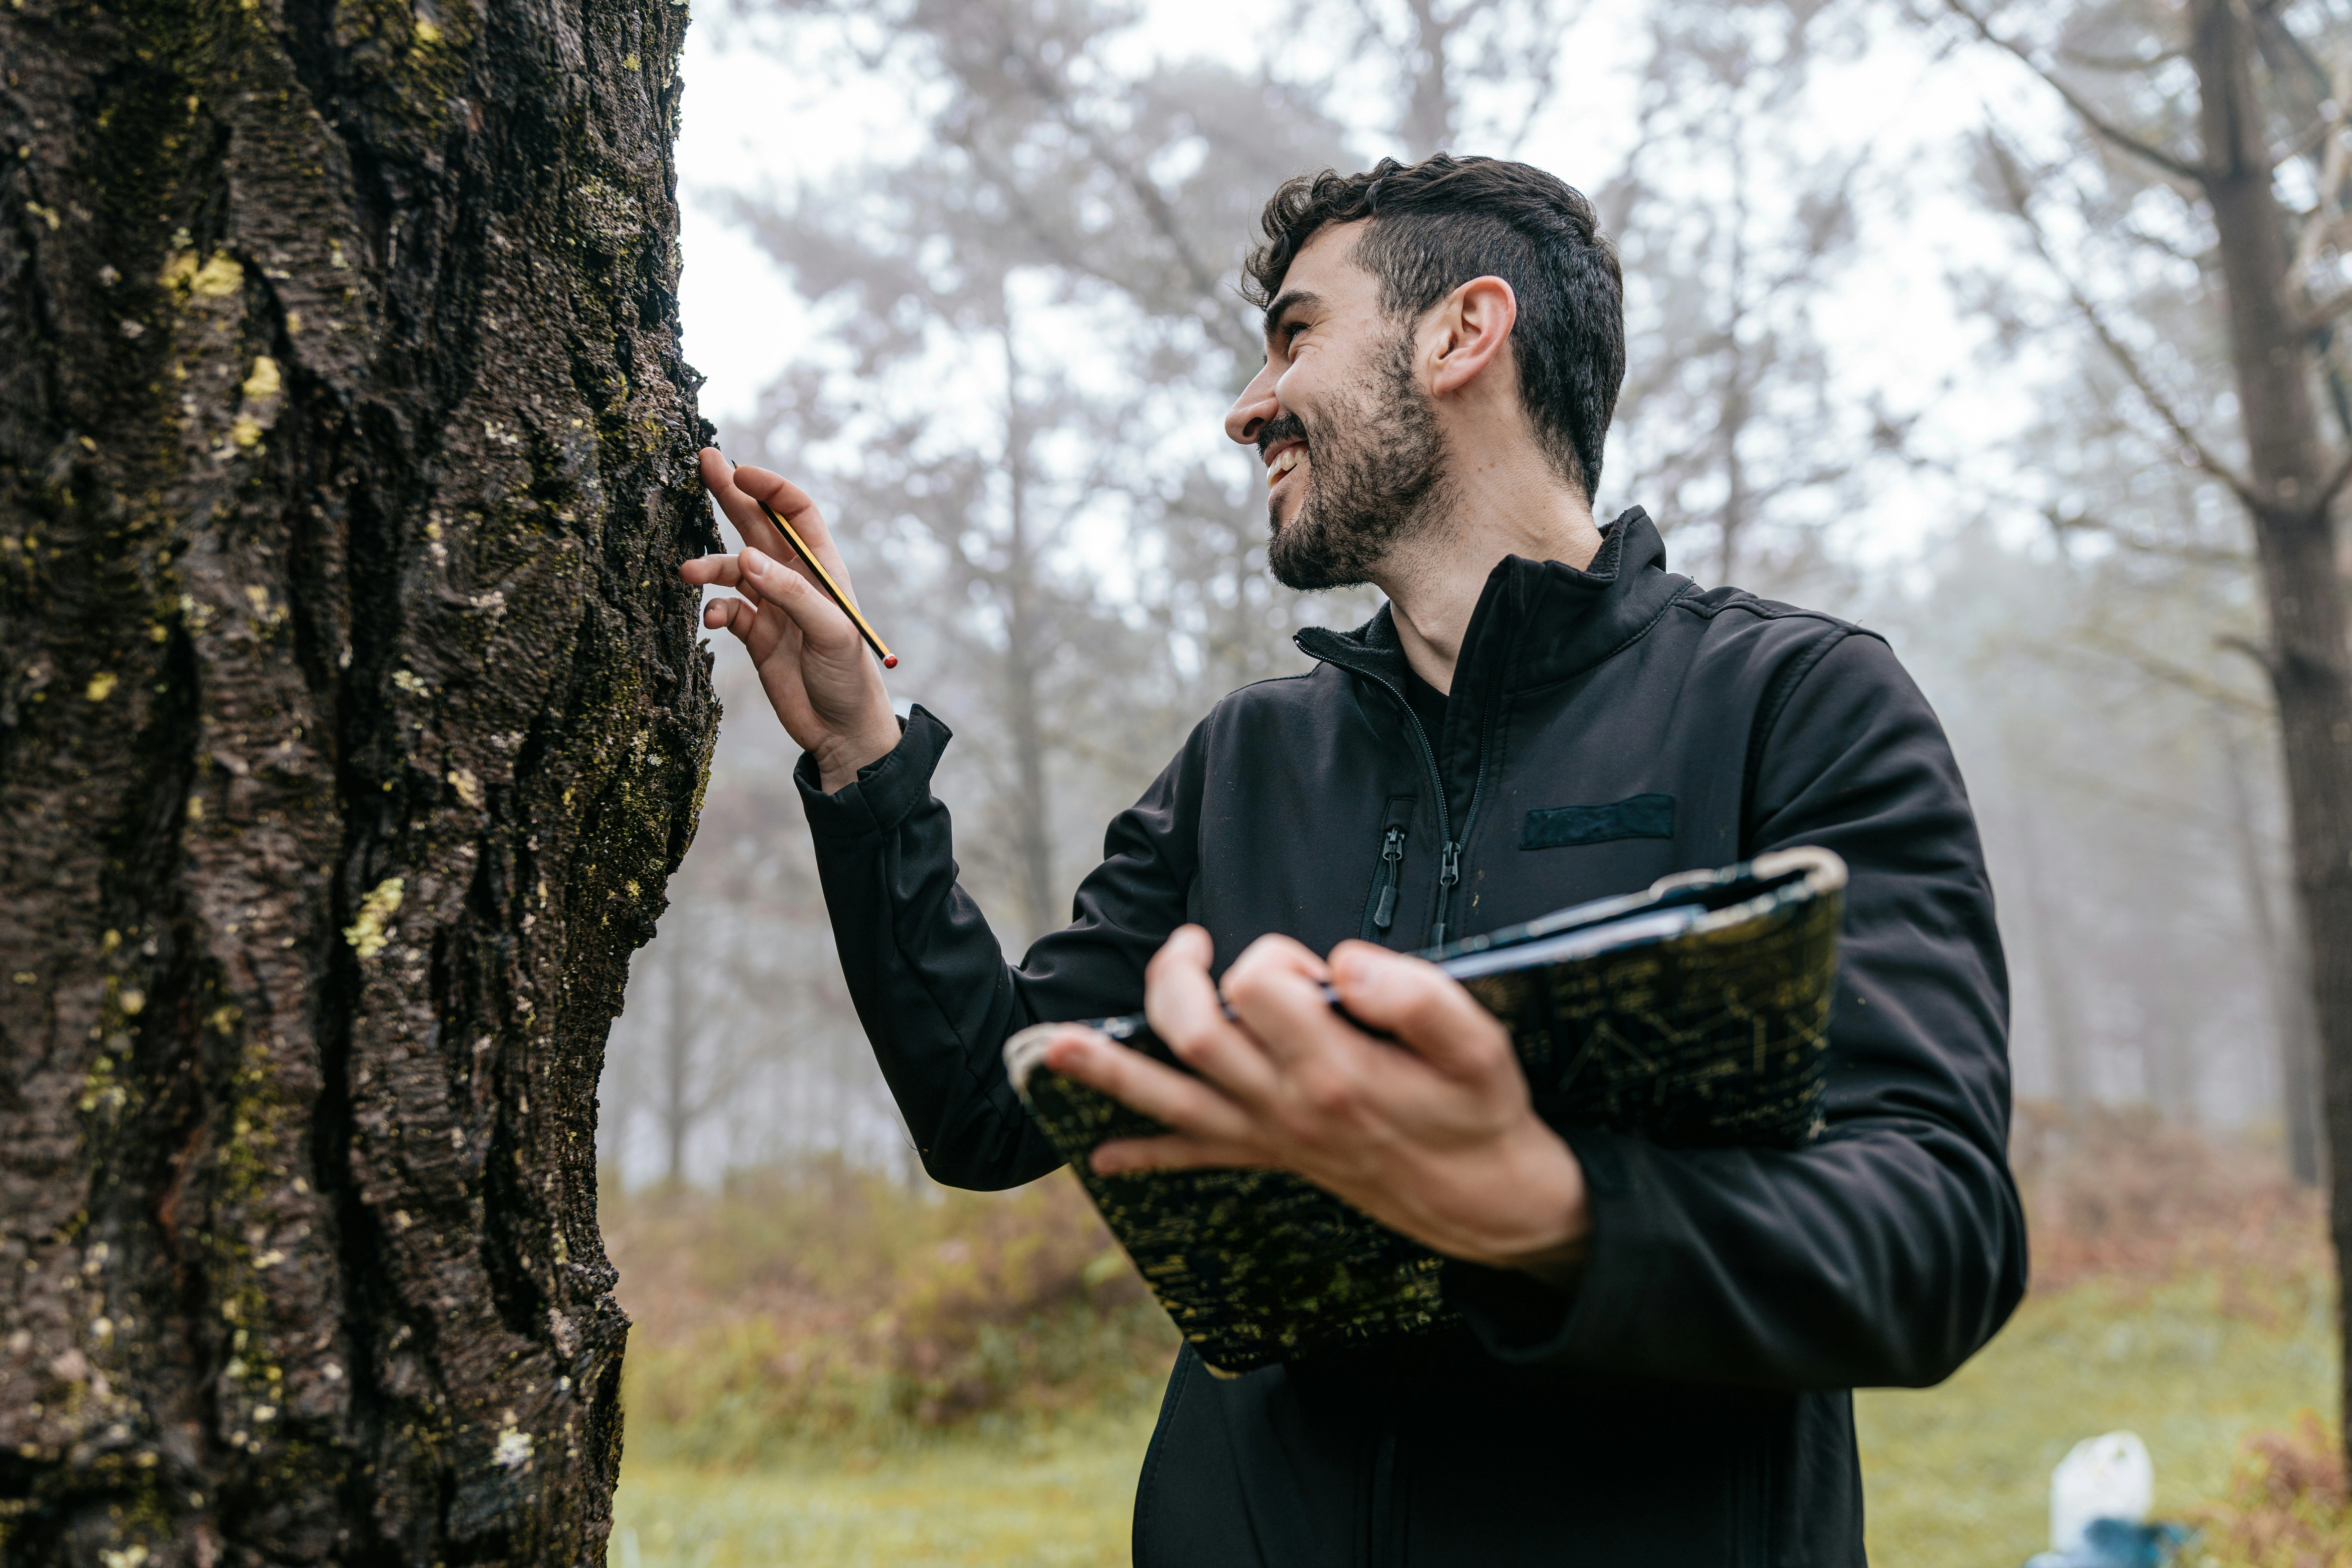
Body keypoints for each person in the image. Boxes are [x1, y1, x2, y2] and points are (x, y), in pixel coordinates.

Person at [681, 153, 2025, 1567]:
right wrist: (859, 750)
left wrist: (1545, 1206)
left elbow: (1935, 1237)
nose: (1246, 405)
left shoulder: (1795, 705)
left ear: (1464, 333)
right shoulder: (1250, 760)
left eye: (1297, 335)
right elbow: (987, 1102)